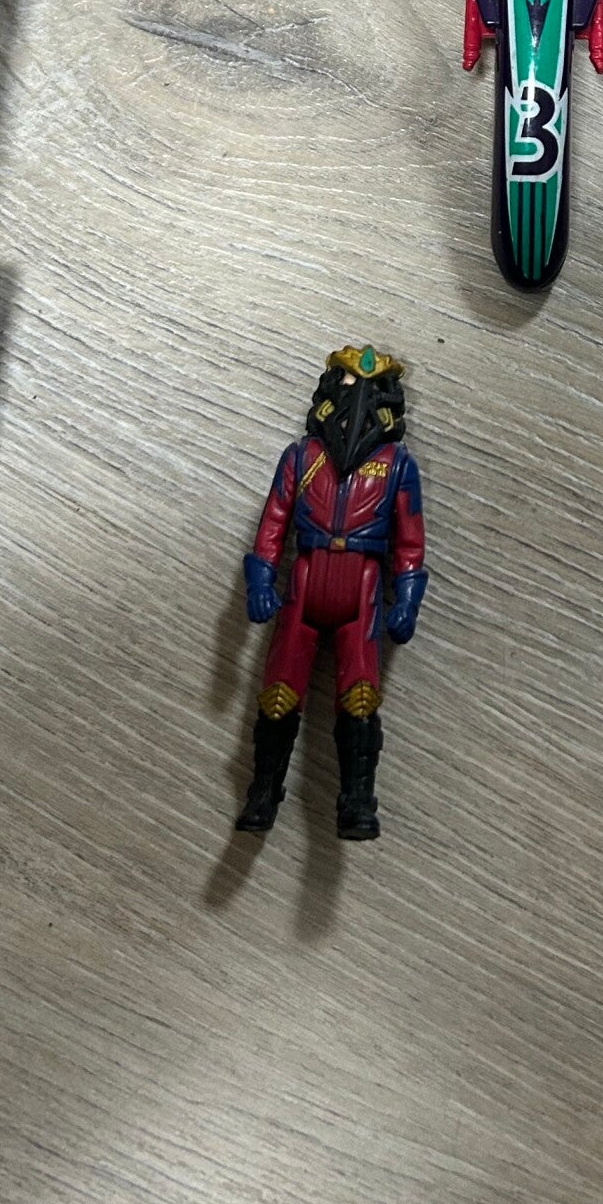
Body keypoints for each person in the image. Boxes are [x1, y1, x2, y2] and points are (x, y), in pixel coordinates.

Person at [235, 347, 427, 841]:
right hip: (305, 582)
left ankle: (357, 798)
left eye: (371, 387)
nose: (358, 398)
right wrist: (260, 581)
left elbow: (410, 542)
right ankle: (263, 791)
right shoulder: (302, 457)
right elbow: (273, 523)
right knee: (279, 692)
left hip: (361, 587)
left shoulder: (397, 465)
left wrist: (407, 600)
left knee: (359, 696)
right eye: (346, 383)